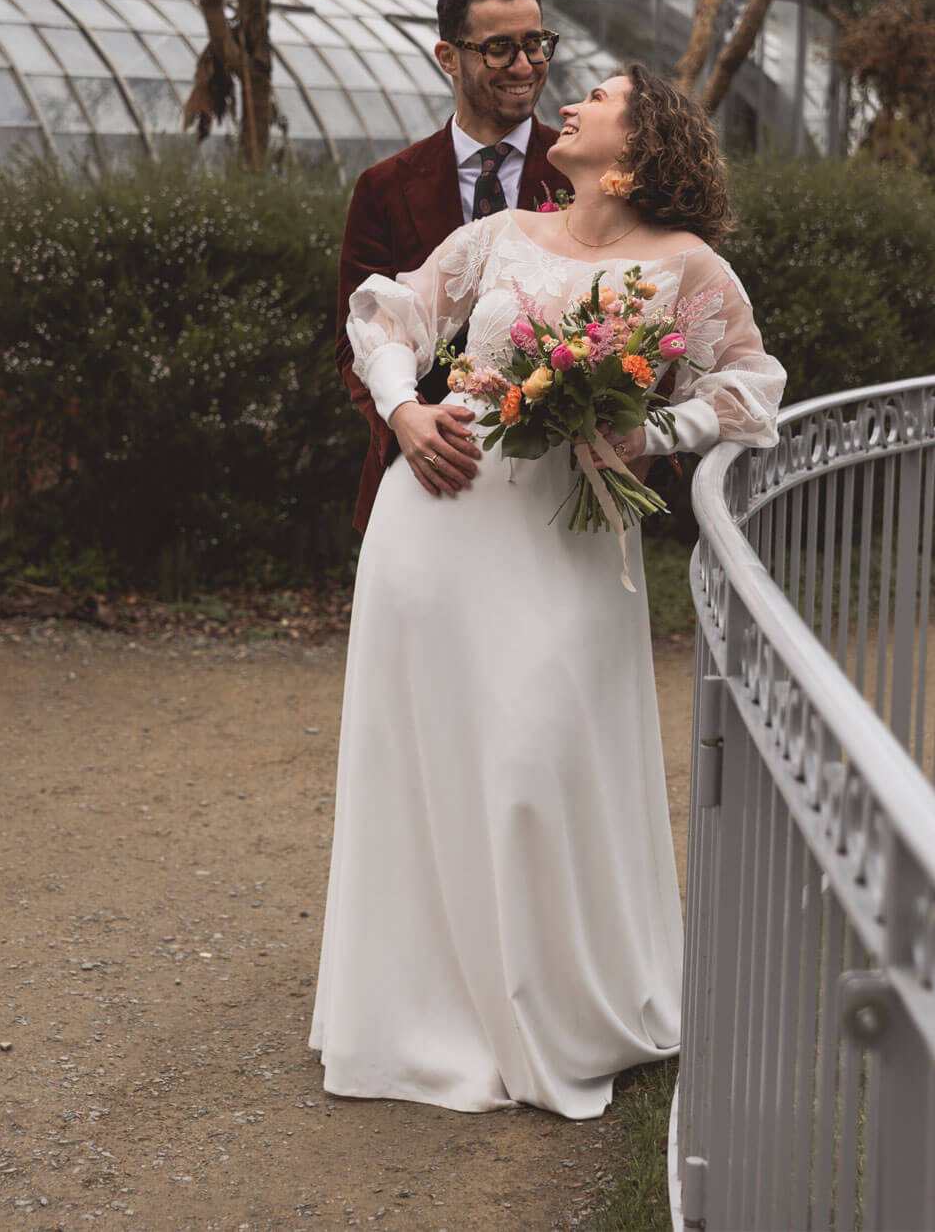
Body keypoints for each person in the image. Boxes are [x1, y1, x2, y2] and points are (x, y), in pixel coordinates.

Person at [310, 63, 786, 1118]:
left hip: (569, 545)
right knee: (424, 762)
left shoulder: (687, 267)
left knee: (531, 761)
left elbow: (751, 384)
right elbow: (388, 316)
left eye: (598, 95)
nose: (567, 102)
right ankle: (424, 1014)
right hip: (435, 523)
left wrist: (651, 430)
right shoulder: (497, 238)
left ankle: (555, 1003)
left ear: (638, 142)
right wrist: (403, 410)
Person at [336, 0, 572, 534]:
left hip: (557, 488)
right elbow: (355, 342)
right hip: (426, 483)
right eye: (499, 49)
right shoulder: (385, 187)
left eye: (535, 44)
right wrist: (405, 419)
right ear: (448, 57)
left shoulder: (581, 172)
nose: (524, 67)